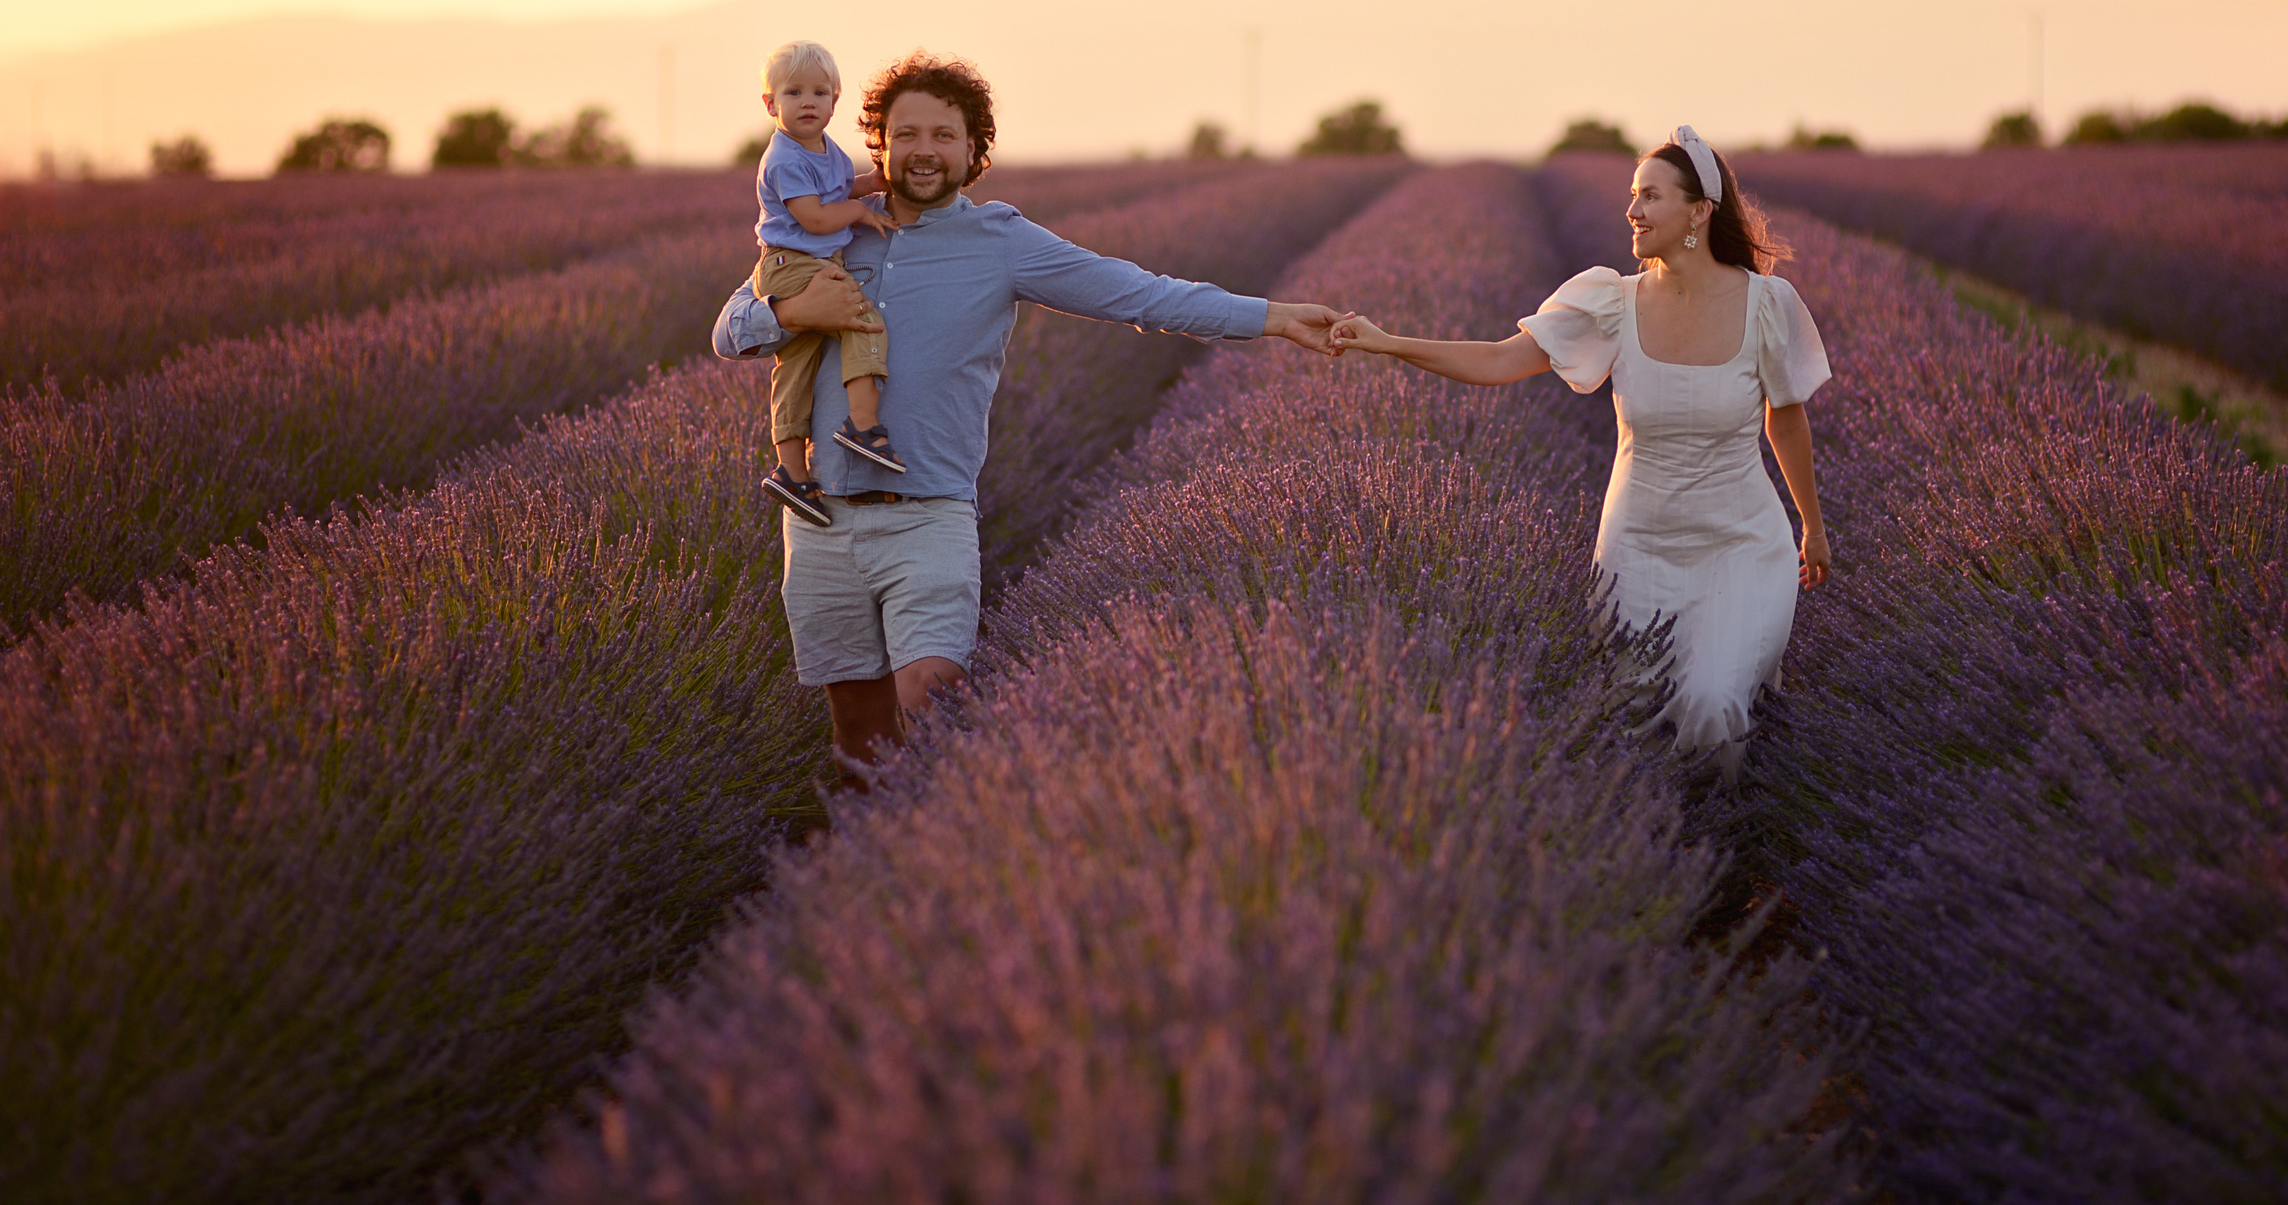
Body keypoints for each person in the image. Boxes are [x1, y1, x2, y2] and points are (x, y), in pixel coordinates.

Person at [712, 48, 1347, 786]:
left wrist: (1273, 316)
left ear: (975, 150)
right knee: (856, 727)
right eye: (905, 133)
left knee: (930, 696)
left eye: (944, 135)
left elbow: (1143, 294)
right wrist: (791, 310)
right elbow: (729, 329)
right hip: (819, 522)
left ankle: (935, 850)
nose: (924, 151)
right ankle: (872, 873)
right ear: (878, 143)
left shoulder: (1001, 242)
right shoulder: (828, 229)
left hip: (928, 514)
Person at [1329, 125, 1831, 778]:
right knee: (1642, 716)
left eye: (1650, 196)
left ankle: (1732, 835)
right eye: (1631, 195)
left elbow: (1784, 420)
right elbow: (1498, 360)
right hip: (1640, 546)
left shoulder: (1768, 304)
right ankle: (1674, 857)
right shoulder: (1610, 302)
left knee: (1712, 704)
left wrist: (1813, 526)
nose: (1632, 210)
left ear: (1699, 212)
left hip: (1739, 542)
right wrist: (1385, 340)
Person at [748, 40, 905, 525]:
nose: (808, 102)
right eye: (794, 93)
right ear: (771, 104)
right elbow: (815, 217)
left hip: (797, 264)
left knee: (795, 368)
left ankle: (792, 473)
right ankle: (863, 426)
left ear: (835, 101)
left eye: (820, 92)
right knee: (861, 319)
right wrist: (859, 210)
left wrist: (872, 184)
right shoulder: (786, 158)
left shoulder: (823, 151)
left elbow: (838, 189)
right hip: (792, 264)